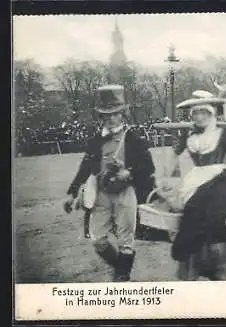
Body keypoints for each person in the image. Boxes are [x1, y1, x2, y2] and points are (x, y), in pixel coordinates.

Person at [63, 85, 157, 281]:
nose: (110, 118)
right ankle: (121, 267)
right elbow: (85, 167)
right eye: (106, 115)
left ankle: (122, 276)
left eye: (114, 114)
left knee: (126, 240)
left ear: (122, 114)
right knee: (98, 240)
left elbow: (148, 169)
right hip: (101, 193)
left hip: (126, 193)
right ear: (101, 117)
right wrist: (72, 193)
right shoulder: (95, 141)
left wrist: (128, 173)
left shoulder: (135, 140)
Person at [168, 96, 226, 281]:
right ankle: (195, 265)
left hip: (222, 179)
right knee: (192, 213)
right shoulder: (188, 136)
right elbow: (173, 155)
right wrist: (166, 179)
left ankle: (222, 265)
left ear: (211, 114)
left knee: (218, 215)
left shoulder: (223, 134)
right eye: (196, 113)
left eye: (204, 112)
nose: (199, 117)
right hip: (197, 179)